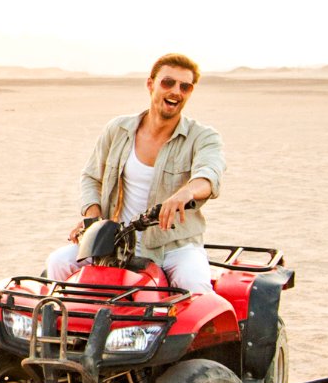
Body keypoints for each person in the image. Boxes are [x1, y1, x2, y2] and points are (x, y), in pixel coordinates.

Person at [47, 53, 225, 293]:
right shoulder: (118, 129)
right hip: (116, 240)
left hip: (174, 247)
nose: (176, 91)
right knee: (58, 263)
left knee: (195, 288)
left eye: (185, 86)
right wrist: (93, 219)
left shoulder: (203, 136)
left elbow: (209, 173)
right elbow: (91, 177)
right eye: (168, 82)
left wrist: (185, 194)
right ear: (150, 84)